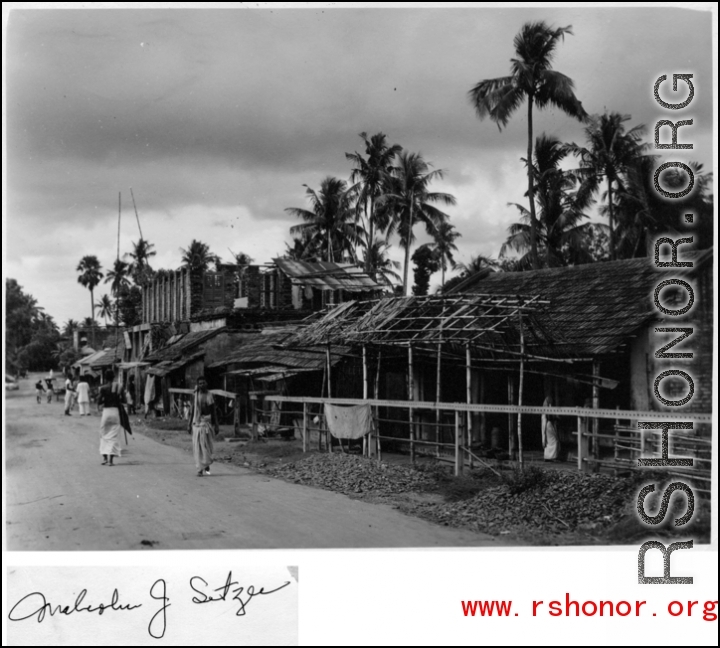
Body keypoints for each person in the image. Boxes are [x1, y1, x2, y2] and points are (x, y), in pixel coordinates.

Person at [187, 375, 219, 476]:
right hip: (196, 423)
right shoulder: (195, 395)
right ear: (197, 385)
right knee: (197, 447)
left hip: (206, 422)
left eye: (203, 383)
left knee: (206, 446)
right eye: (200, 383)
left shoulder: (209, 395)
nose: (202, 385)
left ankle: (205, 463)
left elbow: (213, 412)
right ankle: (200, 469)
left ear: (206, 384)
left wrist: (216, 425)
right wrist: (189, 424)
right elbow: (192, 411)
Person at [97, 369, 129, 466]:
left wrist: (104, 401)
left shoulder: (102, 388)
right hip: (115, 412)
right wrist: (117, 398)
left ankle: (104, 458)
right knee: (113, 436)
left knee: (104, 434)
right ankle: (111, 460)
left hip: (106, 412)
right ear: (114, 377)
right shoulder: (119, 387)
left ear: (105, 378)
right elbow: (124, 400)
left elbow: (99, 401)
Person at [541, 395, 560, 462]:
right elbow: (549, 416)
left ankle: (547, 456)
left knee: (548, 440)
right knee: (554, 440)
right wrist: (555, 418)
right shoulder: (549, 406)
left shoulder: (544, 407)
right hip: (549, 424)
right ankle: (553, 457)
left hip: (545, 424)